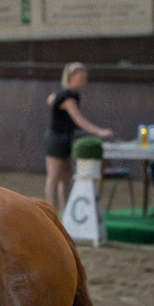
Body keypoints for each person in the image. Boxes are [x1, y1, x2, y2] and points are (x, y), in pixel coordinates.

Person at [44, 62, 114, 212]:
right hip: (56, 139)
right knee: (54, 177)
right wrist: (100, 131)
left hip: (66, 139)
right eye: (81, 77)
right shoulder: (67, 97)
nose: (84, 81)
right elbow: (79, 120)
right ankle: (51, 211)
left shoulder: (69, 93)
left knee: (65, 178)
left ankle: (65, 210)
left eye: (85, 77)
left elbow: (51, 100)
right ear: (71, 77)